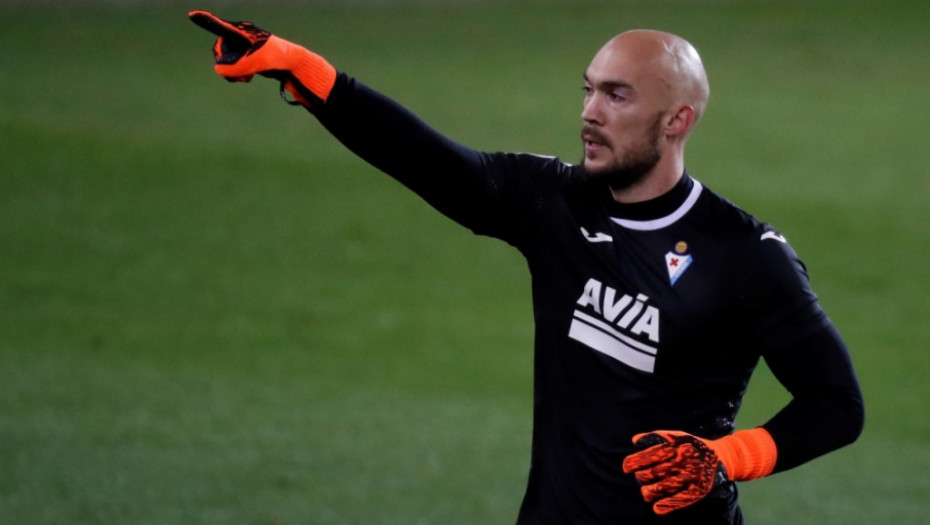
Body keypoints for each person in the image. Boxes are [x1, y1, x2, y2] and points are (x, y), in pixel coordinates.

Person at [188, 11, 865, 524]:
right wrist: (301, 69)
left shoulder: (745, 254)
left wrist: (724, 457)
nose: (589, 113)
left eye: (617, 96)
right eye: (588, 90)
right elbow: (430, 162)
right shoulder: (555, 204)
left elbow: (836, 404)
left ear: (676, 120)